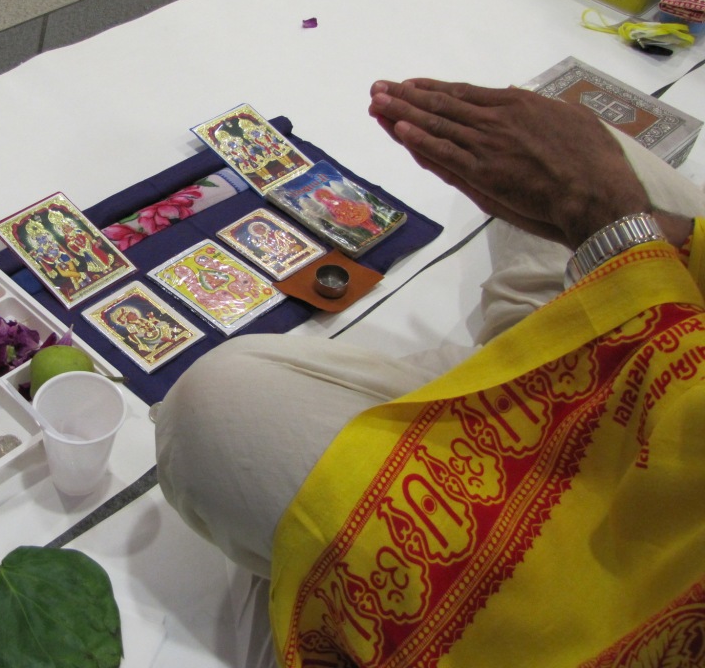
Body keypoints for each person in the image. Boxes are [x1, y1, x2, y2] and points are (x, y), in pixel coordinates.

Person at [155, 78, 705, 667]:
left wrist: (609, 222)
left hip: (592, 565)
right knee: (552, 136)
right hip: (663, 330)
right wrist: (637, 234)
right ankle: (530, 325)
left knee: (218, 408)